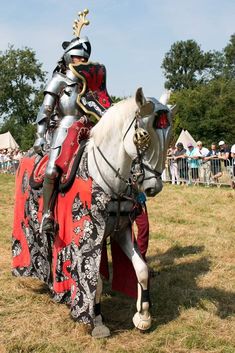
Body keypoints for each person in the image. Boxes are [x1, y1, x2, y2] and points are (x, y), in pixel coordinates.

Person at [33, 10, 112, 233]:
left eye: (85, 58)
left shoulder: (91, 83)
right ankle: (47, 214)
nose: (82, 61)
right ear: (69, 56)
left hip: (90, 128)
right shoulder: (58, 80)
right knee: (51, 171)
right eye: (78, 57)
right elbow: (45, 111)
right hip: (64, 129)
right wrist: (39, 137)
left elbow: (103, 105)